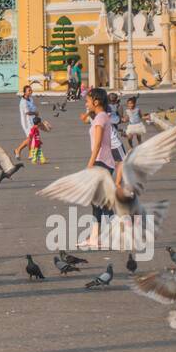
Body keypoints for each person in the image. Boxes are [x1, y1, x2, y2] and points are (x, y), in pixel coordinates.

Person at [80, 87, 117, 250]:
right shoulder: (101, 116)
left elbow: (97, 145)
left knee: (101, 202)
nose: (86, 103)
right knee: (98, 202)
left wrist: (90, 164)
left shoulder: (101, 119)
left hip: (101, 162)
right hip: (105, 162)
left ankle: (110, 236)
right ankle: (95, 237)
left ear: (96, 102)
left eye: (88, 101)